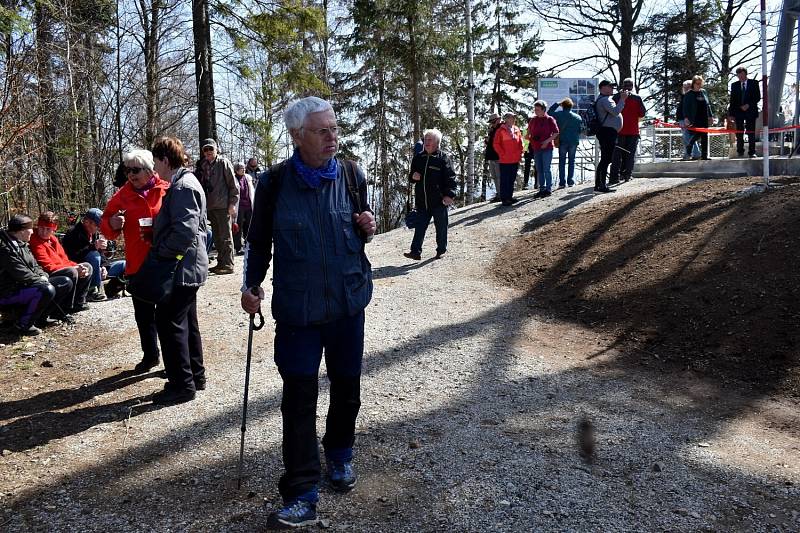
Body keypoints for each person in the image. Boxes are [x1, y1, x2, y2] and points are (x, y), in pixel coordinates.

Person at [241, 96, 376, 529]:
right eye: (322, 130)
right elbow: (259, 241)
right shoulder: (275, 183)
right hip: (298, 311)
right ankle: (301, 491)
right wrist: (251, 284)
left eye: (334, 128)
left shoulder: (353, 176)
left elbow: (360, 233)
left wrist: (367, 227)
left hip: (347, 306)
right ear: (298, 136)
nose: (332, 136)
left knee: (347, 387)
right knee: (298, 400)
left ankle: (339, 454)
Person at [149, 136, 208, 404]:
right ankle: (195, 376)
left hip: (182, 267)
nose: (153, 169)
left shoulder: (183, 186)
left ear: (164, 159)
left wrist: (161, 252)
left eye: (154, 163)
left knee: (168, 321)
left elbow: (185, 231)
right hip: (186, 265)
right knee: (186, 321)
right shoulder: (184, 183)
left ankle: (182, 385)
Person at [101, 149, 170, 373]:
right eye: (127, 170)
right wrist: (112, 223)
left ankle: (172, 362)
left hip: (164, 262)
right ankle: (150, 356)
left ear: (150, 170)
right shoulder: (122, 195)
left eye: (135, 170)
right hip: (137, 264)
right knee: (144, 316)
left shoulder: (166, 189)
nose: (130, 174)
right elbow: (106, 226)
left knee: (167, 317)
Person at [0, 215, 74, 335]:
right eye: (30, 229)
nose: (32, 231)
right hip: (8, 293)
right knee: (46, 289)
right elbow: (22, 274)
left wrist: (43, 275)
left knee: (64, 282)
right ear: (22, 231)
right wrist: (41, 281)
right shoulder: (6, 250)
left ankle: (41, 318)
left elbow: (35, 266)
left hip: (24, 286)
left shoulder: (22, 245)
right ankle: (23, 324)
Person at [403, 128, 457, 261]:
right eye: (425, 139)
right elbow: (411, 177)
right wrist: (412, 176)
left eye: (429, 140)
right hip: (422, 201)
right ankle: (415, 252)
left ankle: (441, 250)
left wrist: (449, 195)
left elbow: (451, 178)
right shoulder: (418, 158)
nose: (426, 142)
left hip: (439, 201)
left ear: (437, 142)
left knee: (441, 227)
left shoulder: (443, 158)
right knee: (420, 227)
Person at [29, 211, 92, 313]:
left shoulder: (53, 239)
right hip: (46, 273)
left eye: (48, 229)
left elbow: (64, 259)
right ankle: (65, 307)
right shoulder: (34, 240)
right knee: (72, 272)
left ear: (54, 229)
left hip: (58, 268)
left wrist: (77, 266)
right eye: (41, 228)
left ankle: (78, 303)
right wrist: (74, 268)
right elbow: (46, 266)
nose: (44, 232)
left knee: (87, 266)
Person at [62, 208, 126, 302]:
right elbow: (73, 256)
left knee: (124, 264)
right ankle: (93, 291)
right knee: (94, 255)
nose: (98, 228)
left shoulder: (93, 233)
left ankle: (111, 288)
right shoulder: (73, 233)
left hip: (98, 270)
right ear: (87, 222)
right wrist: (93, 247)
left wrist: (103, 266)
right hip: (84, 270)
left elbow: (101, 255)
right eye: (97, 225)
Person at [195, 138, 237, 275]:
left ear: (216, 149)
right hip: (210, 206)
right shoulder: (202, 165)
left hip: (223, 205)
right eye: (205, 149)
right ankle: (221, 263)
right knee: (217, 237)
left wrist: (232, 204)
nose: (208, 152)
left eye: (210, 149)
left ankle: (228, 264)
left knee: (225, 236)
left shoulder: (223, 163)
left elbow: (234, 185)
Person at [610, 78, 647, 184]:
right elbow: (642, 113)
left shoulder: (616, 97)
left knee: (617, 155)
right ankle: (627, 175)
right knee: (630, 154)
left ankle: (614, 177)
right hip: (633, 131)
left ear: (623, 85)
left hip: (618, 131)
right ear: (632, 86)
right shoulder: (637, 98)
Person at [594, 80, 627, 193]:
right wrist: (622, 99)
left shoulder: (603, 99)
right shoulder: (605, 100)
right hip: (607, 132)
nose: (612, 89)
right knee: (606, 159)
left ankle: (599, 185)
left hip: (607, 132)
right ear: (603, 87)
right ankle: (601, 186)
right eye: (610, 86)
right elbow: (615, 111)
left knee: (605, 159)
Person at [527, 100, 559, 198]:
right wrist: (529, 138)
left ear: (544, 109)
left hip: (547, 148)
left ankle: (548, 189)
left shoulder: (550, 119)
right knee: (539, 169)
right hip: (536, 148)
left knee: (546, 169)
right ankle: (542, 189)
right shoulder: (533, 120)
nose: (536, 111)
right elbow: (528, 132)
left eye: (538, 109)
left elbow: (556, 133)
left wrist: (546, 141)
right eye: (535, 109)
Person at [727, 66, 760, 158]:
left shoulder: (754, 83)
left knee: (751, 132)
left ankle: (752, 152)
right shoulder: (734, 85)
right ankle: (740, 151)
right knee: (739, 132)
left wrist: (748, 105)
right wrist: (731, 114)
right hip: (738, 112)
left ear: (745, 74)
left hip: (750, 111)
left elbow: (757, 97)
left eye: (741, 74)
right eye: (738, 75)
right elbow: (732, 100)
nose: (740, 77)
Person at [549, 98, 583, 188]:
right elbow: (580, 130)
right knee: (572, 161)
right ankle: (570, 181)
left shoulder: (558, 115)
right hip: (573, 141)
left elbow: (549, 113)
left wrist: (557, 103)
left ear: (562, 106)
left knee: (562, 161)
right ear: (571, 106)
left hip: (563, 141)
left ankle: (562, 183)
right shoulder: (578, 117)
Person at [492, 112, 524, 206]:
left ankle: (510, 197)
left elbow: (520, 142)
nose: (514, 119)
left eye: (514, 117)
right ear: (506, 119)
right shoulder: (500, 130)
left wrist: (520, 153)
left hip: (515, 159)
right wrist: (502, 153)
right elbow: (496, 144)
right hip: (505, 160)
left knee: (512, 179)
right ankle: (504, 199)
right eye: (511, 117)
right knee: (505, 180)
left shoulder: (516, 129)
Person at [683, 75, 714, 160]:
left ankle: (704, 156)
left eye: (700, 84)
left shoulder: (703, 92)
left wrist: (710, 116)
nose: (699, 85)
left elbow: (708, 105)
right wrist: (686, 118)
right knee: (697, 134)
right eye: (697, 84)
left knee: (705, 135)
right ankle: (689, 146)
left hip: (704, 117)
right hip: (694, 118)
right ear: (693, 83)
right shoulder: (689, 94)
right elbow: (685, 107)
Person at [233, 162, 255, 256]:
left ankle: (248, 245)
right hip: (239, 207)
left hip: (249, 206)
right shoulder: (233, 179)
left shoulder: (248, 178)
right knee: (238, 227)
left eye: (244, 168)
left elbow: (252, 191)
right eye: (241, 168)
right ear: (236, 170)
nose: (244, 169)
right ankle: (238, 247)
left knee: (249, 227)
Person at [677, 80, 701, 160]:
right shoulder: (685, 96)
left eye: (687, 87)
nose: (685, 89)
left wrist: (688, 119)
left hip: (687, 120)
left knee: (687, 138)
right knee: (689, 138)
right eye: (684, 87)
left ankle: (690, 154)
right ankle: (695, 154)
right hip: (682, 119)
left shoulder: (691, 96)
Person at [484, 113, 502, 201]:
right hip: (491, 156)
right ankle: (499, 194)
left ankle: (501, 194)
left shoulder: (502, 129)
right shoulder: (491, 129)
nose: (492, 123)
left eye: (493, 121)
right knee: (495, 177)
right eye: (491, 122)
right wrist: (487, 141)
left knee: (499, 177)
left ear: (498, 120)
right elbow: (491, 143)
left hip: (498, 156)